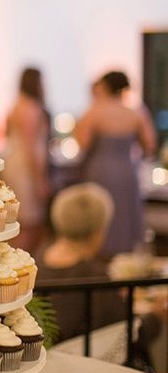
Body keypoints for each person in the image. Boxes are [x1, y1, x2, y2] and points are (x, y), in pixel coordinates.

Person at [74, 71, 156, 257]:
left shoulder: (94, 112)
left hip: (100, 171)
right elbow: (149, 145)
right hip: (127, 170)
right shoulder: (135, 113)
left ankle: (99, 256)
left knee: (101, 214)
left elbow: (82, 144)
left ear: (104, 86)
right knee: (125, 216)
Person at [38, 183, 125, 343]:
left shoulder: (34, 262)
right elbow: (120, 336)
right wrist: (155, 317)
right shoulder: (95, 277)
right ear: (97, 233)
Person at [3, 67, 50, 254]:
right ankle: (20, 263)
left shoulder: (15, 106)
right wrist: (40, 181)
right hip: (26, 169)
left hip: (14, 164)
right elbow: (31, 148)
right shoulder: (31, 109)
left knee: (19, 220)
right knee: (29, 223)